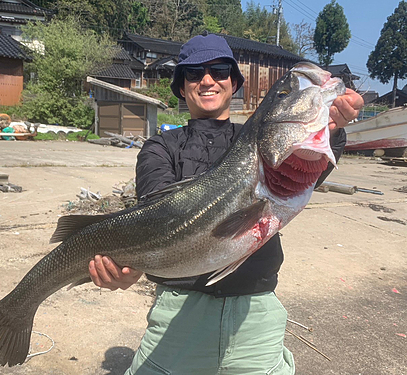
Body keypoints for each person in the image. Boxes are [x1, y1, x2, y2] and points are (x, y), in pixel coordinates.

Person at [89, 33, 364, 374]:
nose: (207, 80)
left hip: (255, 312)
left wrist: (332, 129)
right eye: (193, 73)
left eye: (219, 70)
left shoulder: (257, 137)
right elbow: (159, 217)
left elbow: (305, 171)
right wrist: (128, 265)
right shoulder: (160, 147)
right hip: (179, 311)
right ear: (181, 86)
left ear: (234, 83)